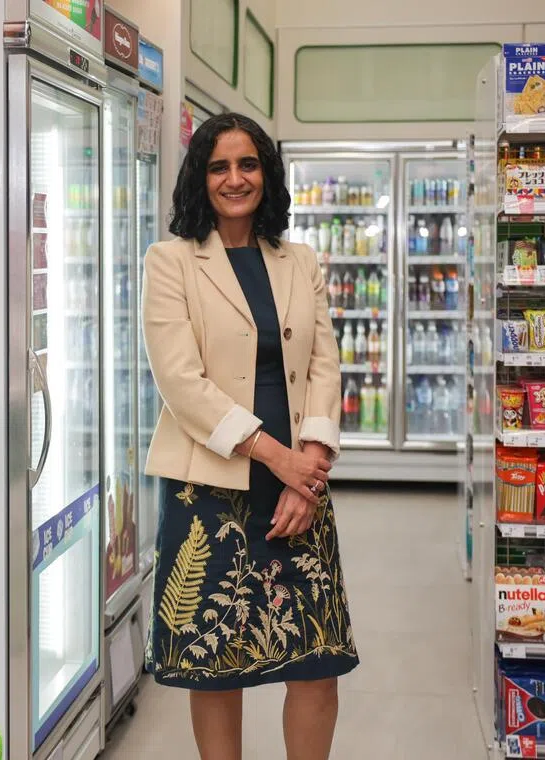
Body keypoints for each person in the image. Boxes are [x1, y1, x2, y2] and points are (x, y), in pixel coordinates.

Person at [141, 112, 358, 760]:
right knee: (215, 664)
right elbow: (180, 382)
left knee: (317, 658)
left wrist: (307, 469)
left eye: (248, 164)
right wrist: (278, 458)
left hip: (299, 488)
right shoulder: (171, 262)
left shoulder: (299, 261)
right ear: (200, 177)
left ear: (267, 173)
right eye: (219, 167)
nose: (234, 179)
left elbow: (324, 363)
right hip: (208, 488)